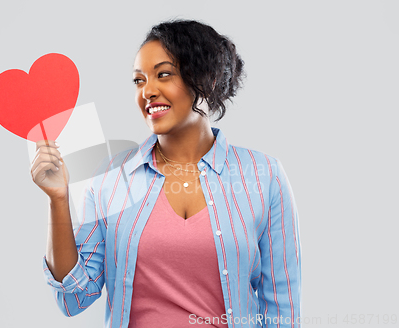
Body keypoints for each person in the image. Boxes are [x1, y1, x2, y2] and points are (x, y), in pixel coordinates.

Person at [31, 19, 301, 328]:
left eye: (163, 75)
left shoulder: (264, 176)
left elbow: (282, 310)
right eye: (139, 80)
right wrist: (58, 199)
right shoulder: (110, 178)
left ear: (206, 79)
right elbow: (73, 298)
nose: (148, 91)